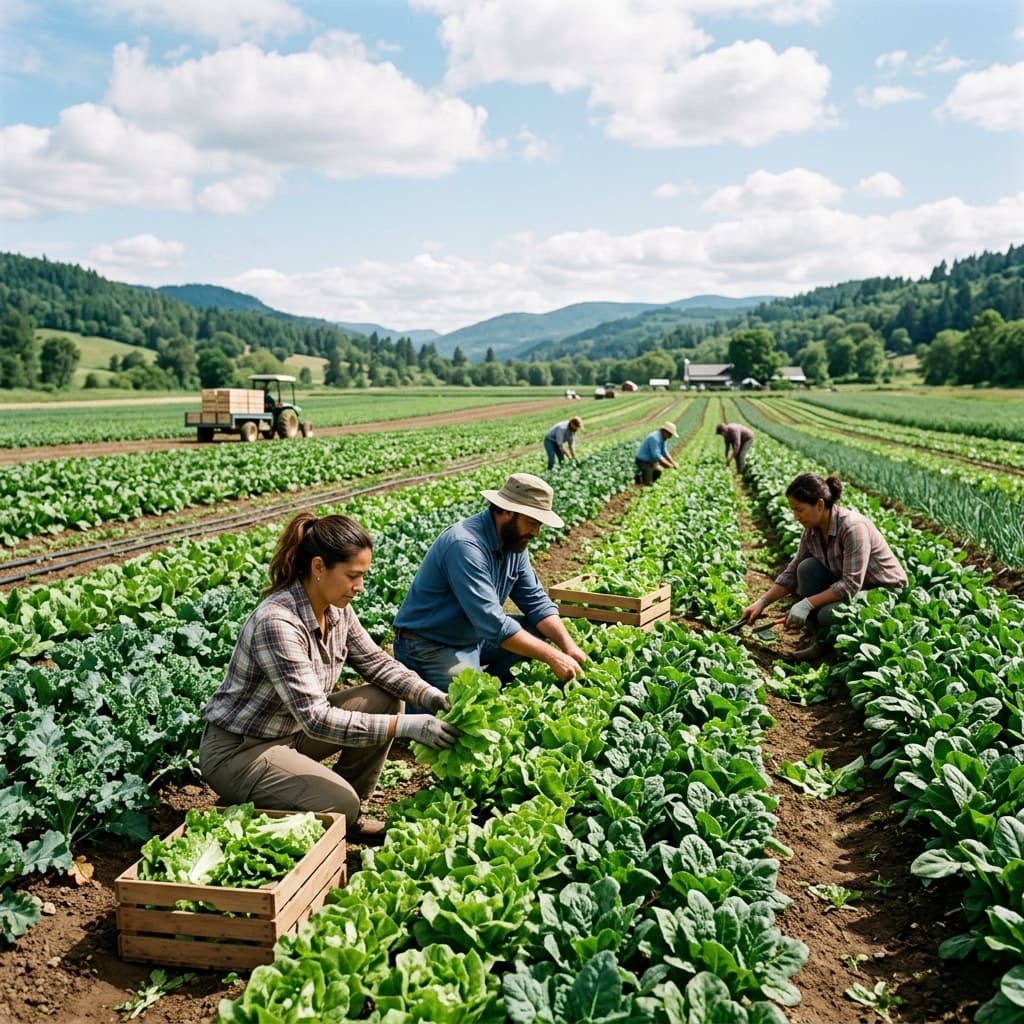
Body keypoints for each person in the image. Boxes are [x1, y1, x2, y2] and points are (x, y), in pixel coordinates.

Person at [199, 512, 457, 840]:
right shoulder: (277, 623)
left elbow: (378, 664)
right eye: (353, 575)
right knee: (339, 804)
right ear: (319, 567)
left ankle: (346, 811)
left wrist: (431, 695)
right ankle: (273, 798)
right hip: (241, 752)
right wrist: (408, 727)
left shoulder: (337, 610)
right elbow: (317, 719)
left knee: (384, 698)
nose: (359, 587)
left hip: (290, 732)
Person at [393, 472, 587, 701]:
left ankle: (494, 691)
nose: (536, 533)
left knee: (538, 633)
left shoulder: (515, 543)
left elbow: (536, 601)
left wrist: (568, 646)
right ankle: (459, 699)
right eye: (532, 523)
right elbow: (493, 623)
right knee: (469, 701)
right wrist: (553, 657)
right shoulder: (465, 545)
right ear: (506, 512)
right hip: (431, 645)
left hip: (473, 635)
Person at [742, 473, 908, 661]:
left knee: (828, 613)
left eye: (800, 510)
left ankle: (837, 655)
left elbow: (851, 584)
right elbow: (793, 570)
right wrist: (762, 602)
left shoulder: (852, 527)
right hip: (854, 586)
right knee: (806, 568)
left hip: (882, 591)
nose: (796, 517)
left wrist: (807, 604)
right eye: (793, 510)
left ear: (820, 505)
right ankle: (820, 643)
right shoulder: (811, 530)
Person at [634, 421, 679, 485]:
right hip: (643, 461)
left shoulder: (663, 438)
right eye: (670, 434)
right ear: (665, 431)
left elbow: (665, 452)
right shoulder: (654, 438)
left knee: (658, 471)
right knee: (648, 482)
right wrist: (670, 465)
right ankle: (641, 478)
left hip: (652, 461)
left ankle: (647, 479)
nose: (670, 437)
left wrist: (673, 462)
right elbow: (656, 456)